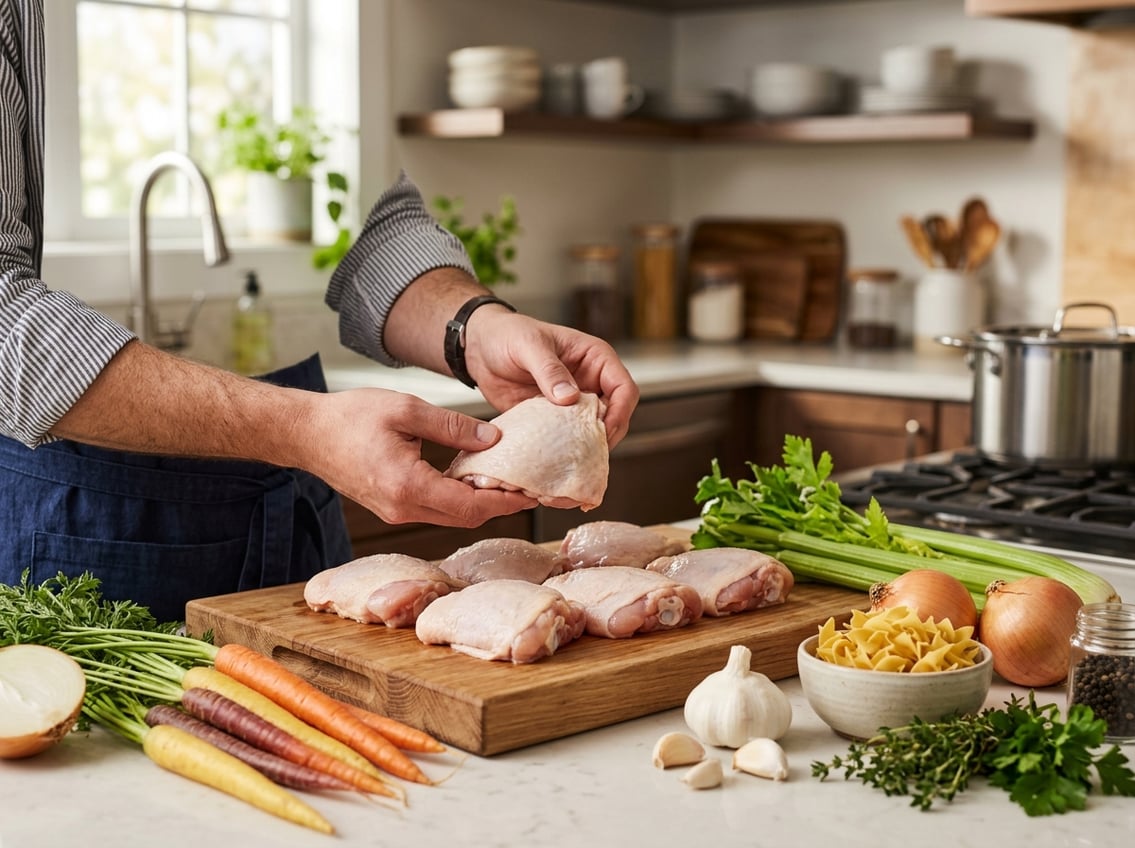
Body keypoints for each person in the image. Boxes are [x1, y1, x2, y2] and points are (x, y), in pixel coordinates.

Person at [0, 0, 639, 621]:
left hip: (303, 497)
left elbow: (381, 231)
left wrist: (472, 326)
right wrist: (302, 429)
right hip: (88, 518)